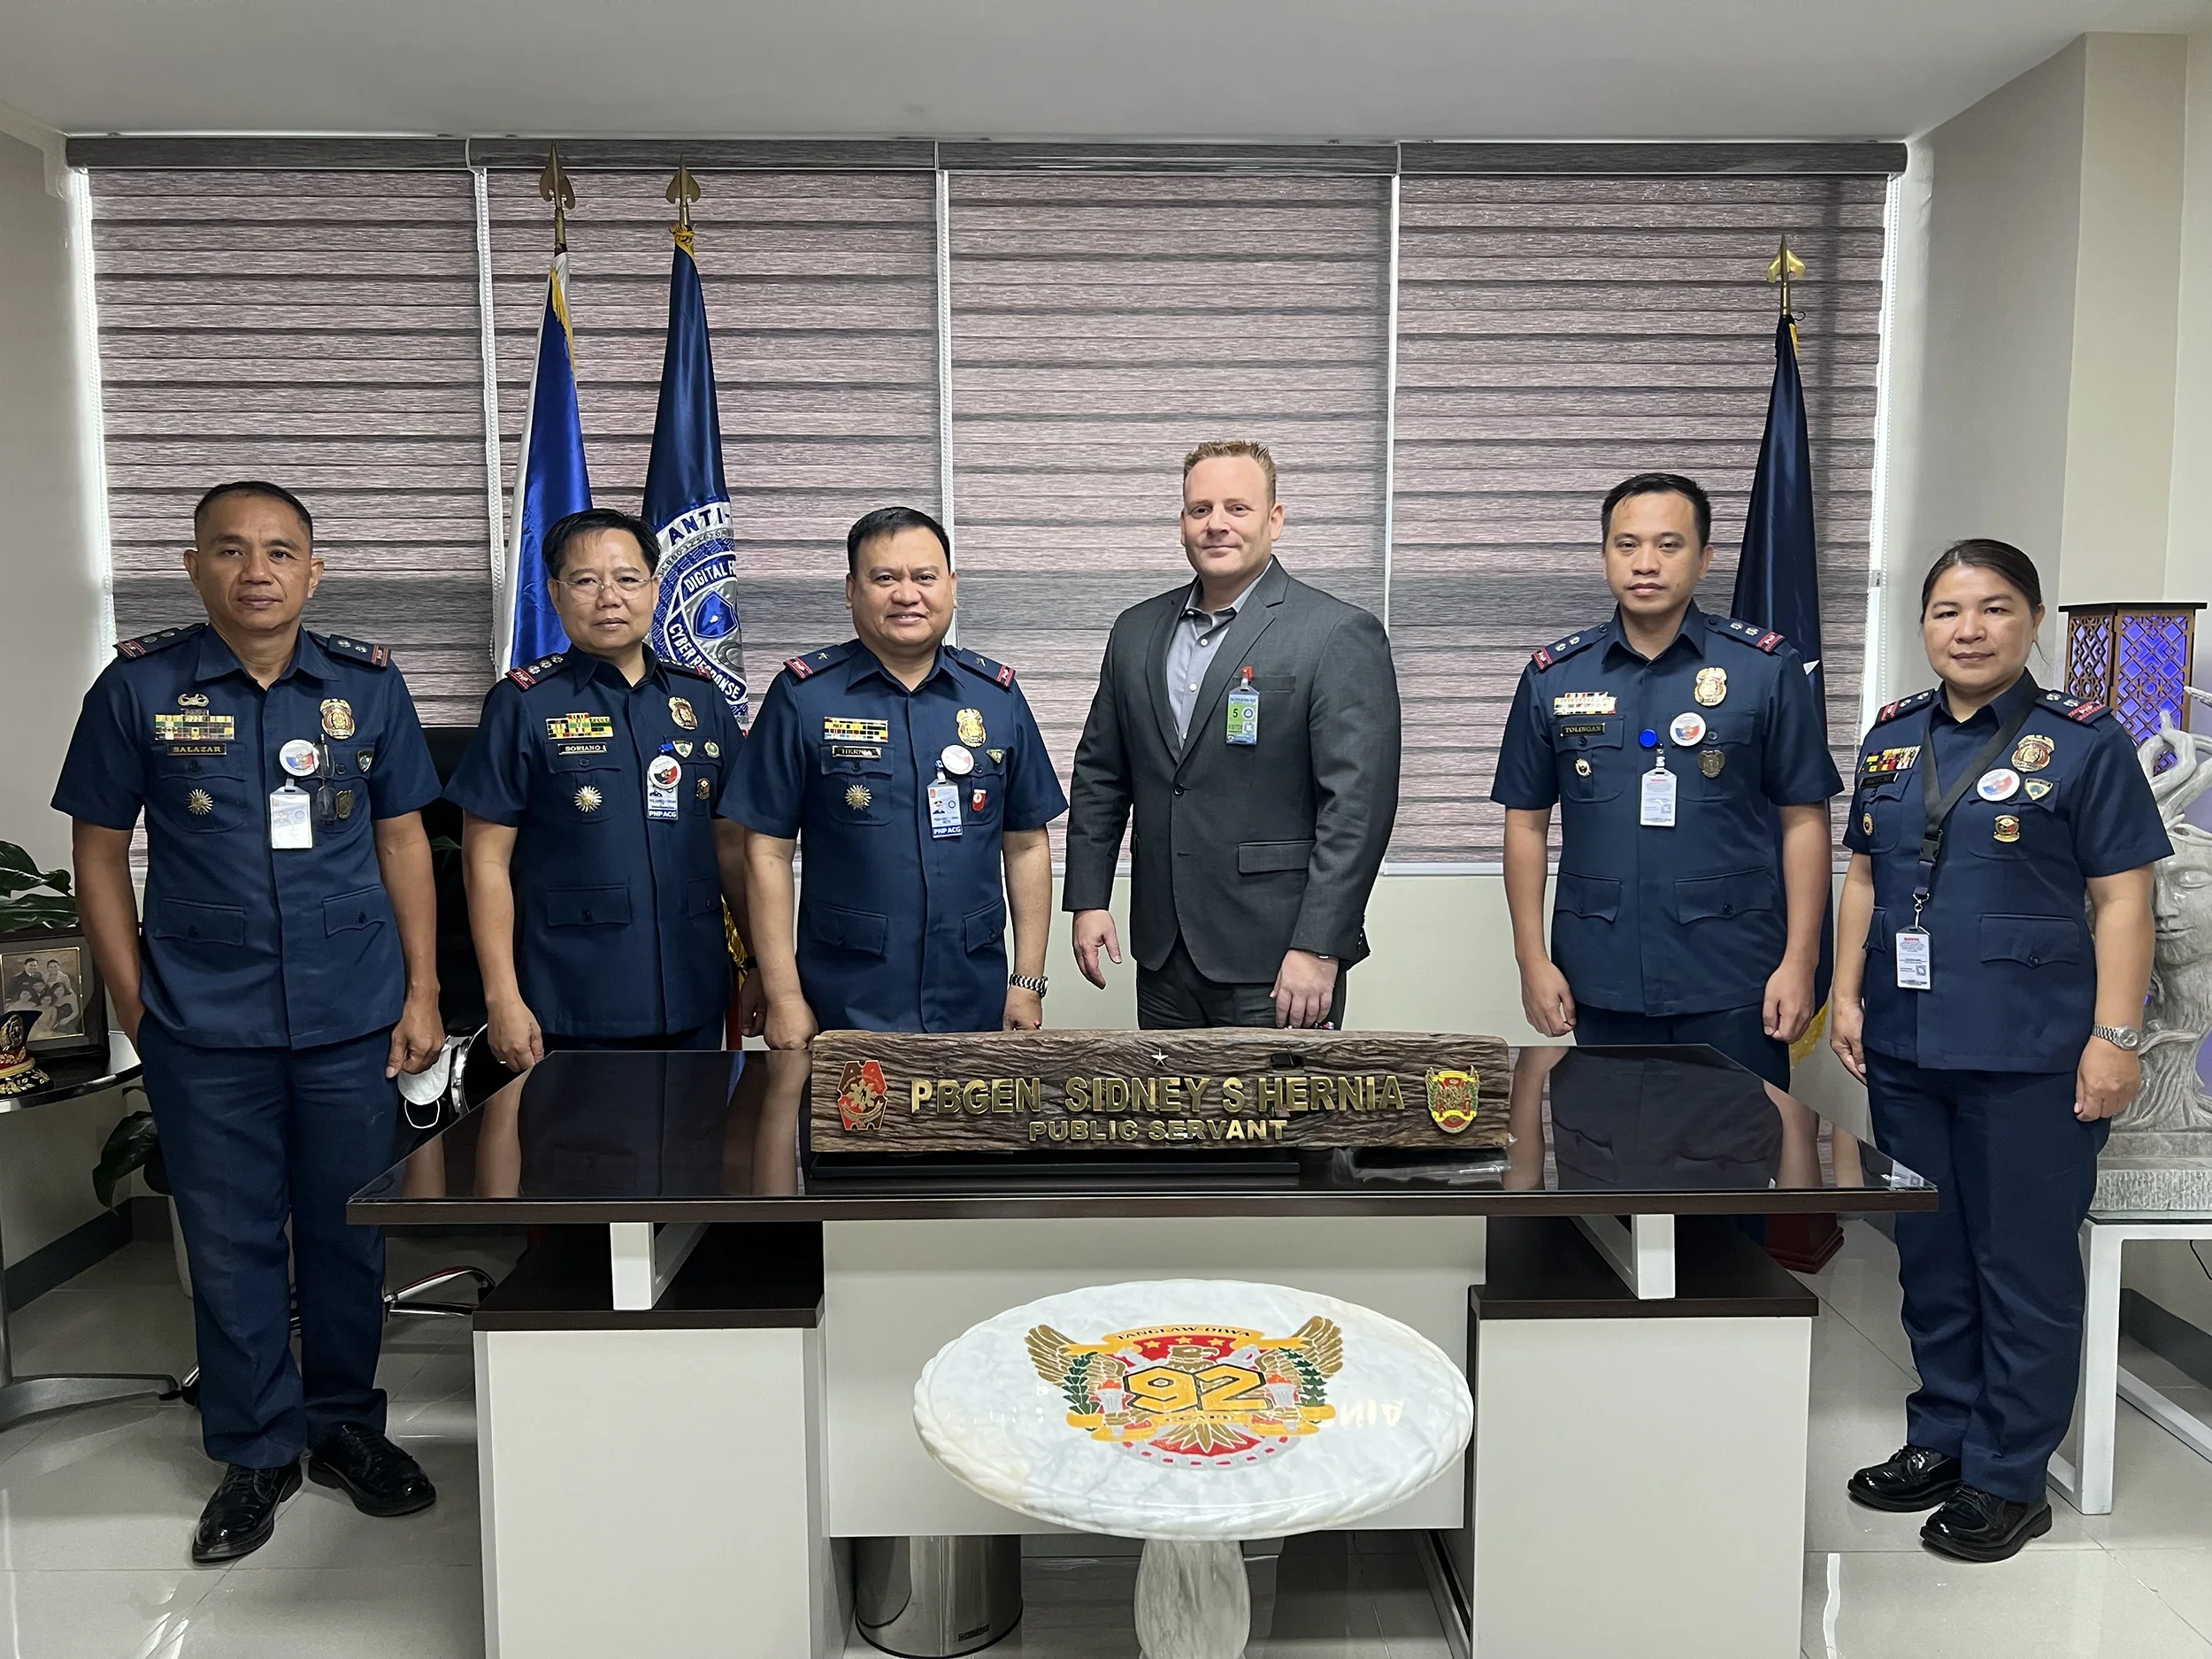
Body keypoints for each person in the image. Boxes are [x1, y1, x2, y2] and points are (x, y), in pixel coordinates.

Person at [54, 480, 444, 1563]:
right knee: (228, 1247)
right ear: (193, 567)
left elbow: (405, 838)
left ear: (313, 572)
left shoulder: (366, 686)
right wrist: (136, 1006)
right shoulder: (139, 687)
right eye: (230, 550)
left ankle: (343, 1430)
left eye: (280, 552)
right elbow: (97, 851)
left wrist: (421, 992)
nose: (256, 570)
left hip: (349, 1013)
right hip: (203, 1022)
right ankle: (257, 1449)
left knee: (343, 1235)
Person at [1832, 539, 2166, 1562]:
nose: (1967, 629)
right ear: (1923, 626)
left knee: (2019, 1262)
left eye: (1991, 608)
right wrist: (1843, 995)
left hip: (2030, 1050)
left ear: (2031, 622)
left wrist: (2114, 1039)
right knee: (1929, 1255)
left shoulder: (2084, 741)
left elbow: (2123, 901)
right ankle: (1941, 1437)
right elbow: (1862, 877)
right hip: (1906, 1039)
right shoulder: (1890, 742)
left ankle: (2011, 1474)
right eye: (1946, 611)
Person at [1491, 472, 1842, 1087]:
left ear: (1705, 558)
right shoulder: (1553, 676)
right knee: (1604, 1161)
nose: (1645, 563)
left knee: (1730, 1162)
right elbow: (1524, 821)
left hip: (1736, 973)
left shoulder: (1765, 670)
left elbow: (1804, 819)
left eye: (1669, 544)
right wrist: (1530, 959)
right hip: (1601, 972)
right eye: (1626, 545)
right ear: (1604, 557)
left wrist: (1801, 960)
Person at [1064, 439, 1401, 1030]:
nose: (1216, 524)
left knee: (1279, 1124)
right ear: (1182, 523)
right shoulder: (1136, 631)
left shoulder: (1336, 633)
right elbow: (1101, 776)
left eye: (1237, 509)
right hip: (1164, 953)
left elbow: (1356, 809)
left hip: (1277, 958)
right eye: (1200, 509)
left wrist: (1320, 945)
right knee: (1168, 1121)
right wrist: (1090, 898)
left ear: (1275, 519)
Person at [733, 506, 1064, 1047]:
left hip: (972, 994)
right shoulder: (803, 697)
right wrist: (785, 996)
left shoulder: (995, 698)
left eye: (924, 577)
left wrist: (1027, 982)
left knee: (970, 1132)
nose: (906, 594)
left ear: (952, 587)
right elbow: (765, 851)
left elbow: (1027, 844)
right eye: (884, 578)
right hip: (844, 997)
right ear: (851, 590)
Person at [446, 508, 757, 1064]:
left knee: (696, 1147)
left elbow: (732, 843)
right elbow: (485, 862)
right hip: (572, 1000)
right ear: (554, 593)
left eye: (627, 579)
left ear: (656, 589)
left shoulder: (703, 699)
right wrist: (503, 998)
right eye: (586, 581)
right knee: (580, 1150)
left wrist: (758, 965)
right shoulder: (523, 704)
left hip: (693, 992)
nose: (609, 597)